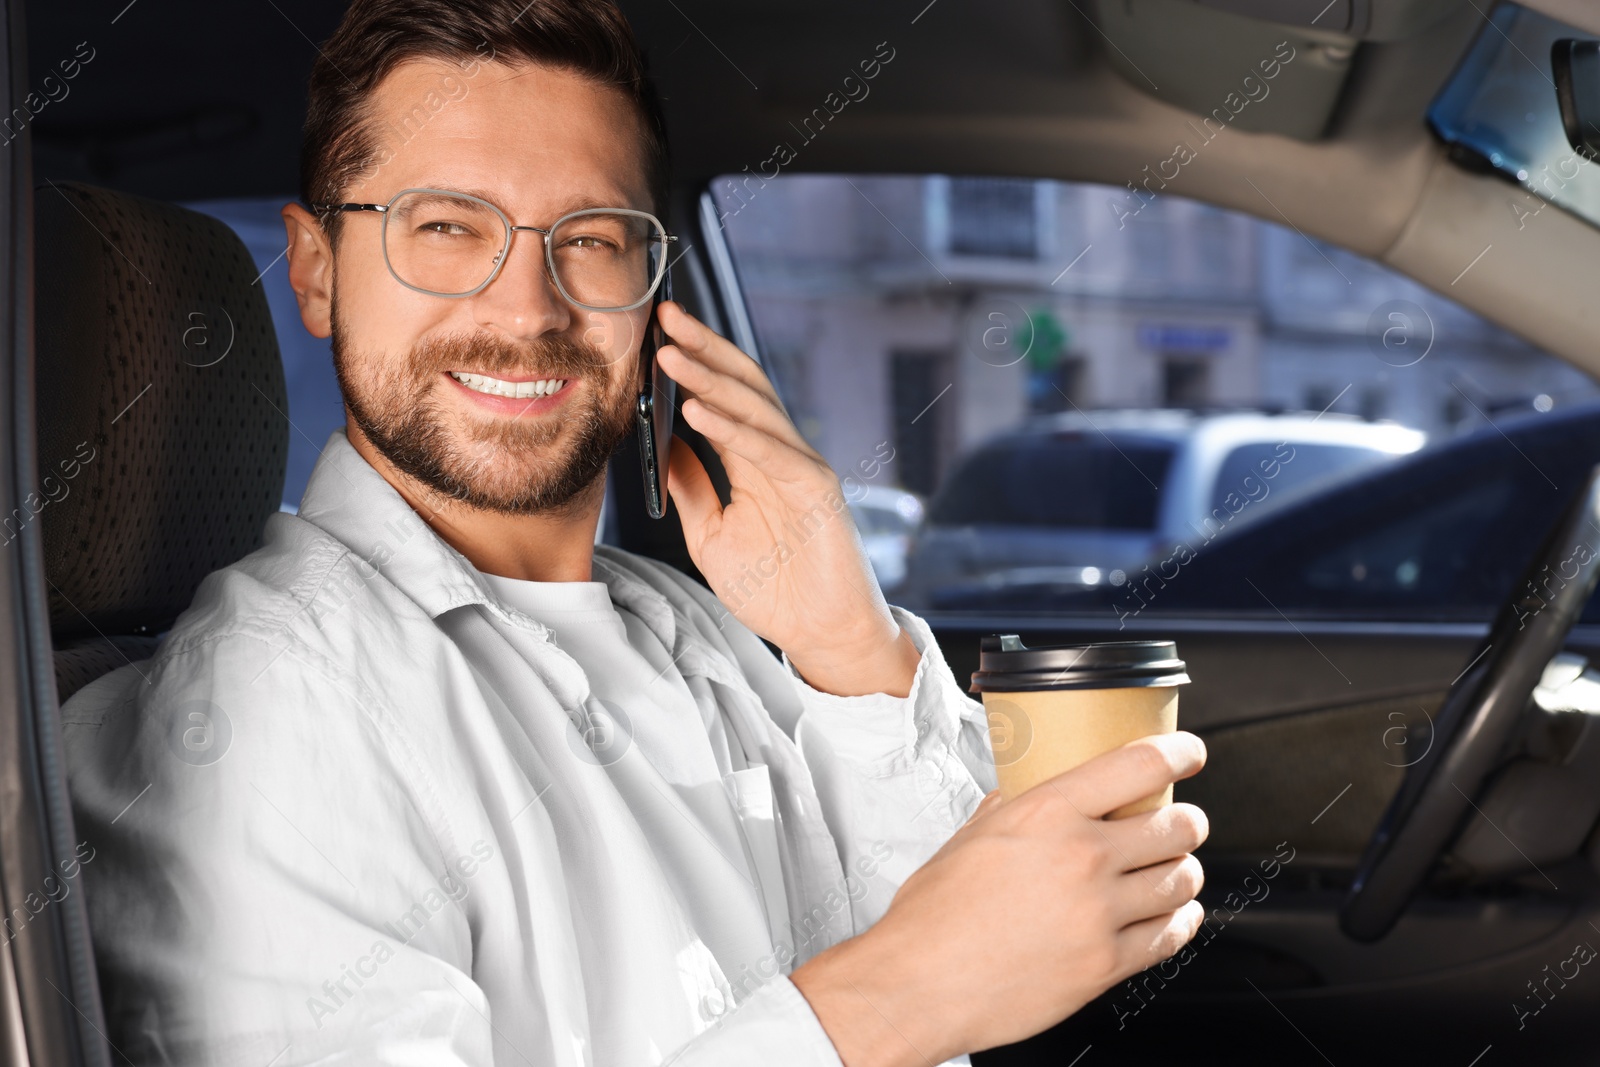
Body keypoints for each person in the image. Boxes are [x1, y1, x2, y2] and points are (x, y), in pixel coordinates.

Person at [62, 1, 1210, 1063]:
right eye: (448, 227)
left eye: (592, 238)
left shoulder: (698, 623)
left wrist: (848, 642)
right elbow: (934, 980)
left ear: (653, 290)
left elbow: (1003, 958)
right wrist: (889, 998)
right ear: (316, 272)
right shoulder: (270, 707)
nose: (525, 309)